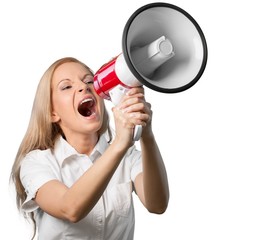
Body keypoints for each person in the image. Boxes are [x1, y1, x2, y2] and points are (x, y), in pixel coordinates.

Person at [10, 57, 169, 239]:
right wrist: (119, 143)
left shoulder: (129, 157)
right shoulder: (36, 162)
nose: (84, 87)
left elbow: (157, 205)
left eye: (89, 81)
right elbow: (70, 209)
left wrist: (147, 135)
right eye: (66, 86)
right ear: (52, 113)